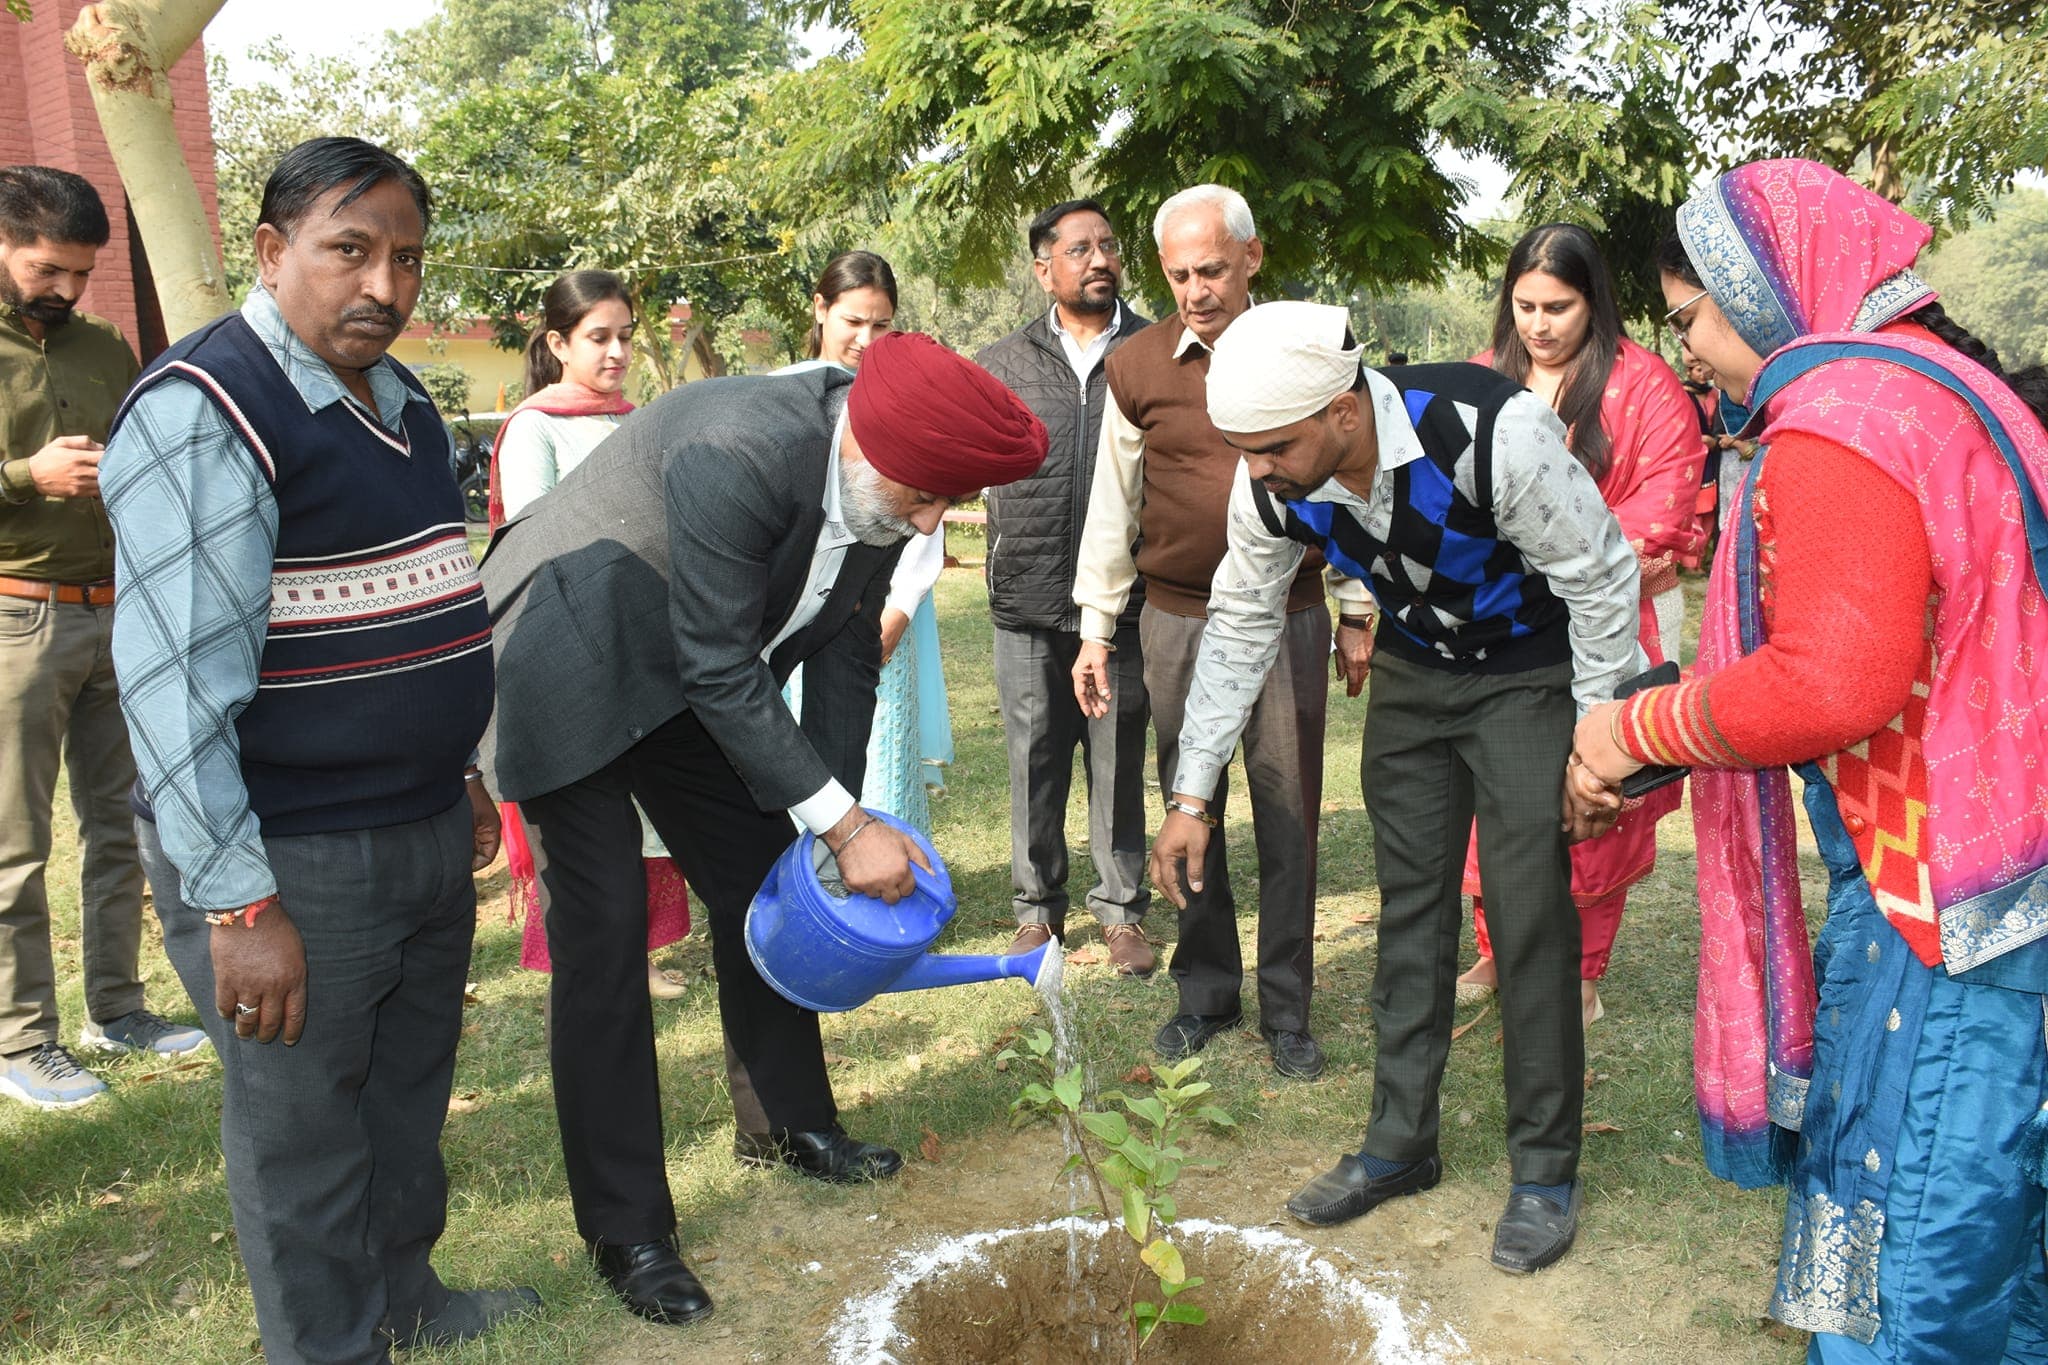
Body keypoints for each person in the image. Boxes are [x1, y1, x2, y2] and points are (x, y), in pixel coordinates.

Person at [1569, 158, 2048, 1360]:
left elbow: (1831, 681)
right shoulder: (1949, 387)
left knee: (1903, 1272)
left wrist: (1630, 730)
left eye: (1689, 322)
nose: (1689, 358)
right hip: (2004, 885)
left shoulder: (1842, 419)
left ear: (1756, 290)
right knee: (2005, 1256)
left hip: (1940, 916)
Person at [480, 330, 1045, 1328]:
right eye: (923, 498)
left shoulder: (885, 481)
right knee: (604, 937)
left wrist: (837, 818)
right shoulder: (741, 444)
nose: (930, 522)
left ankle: (788, 1126)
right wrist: (836, 825)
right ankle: (628, 1230)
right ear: (868, 445)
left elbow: (843, 659)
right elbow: (717, 663)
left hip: (683, 672)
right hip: (567, 652)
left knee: (762, 877)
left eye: (948, 505)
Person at [100, 138, 535, 1363]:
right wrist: (240, 905)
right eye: (350, 249)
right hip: (286, 854)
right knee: (302, 1128)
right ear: (271, 250)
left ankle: (407, 1300)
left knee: (402, 1098)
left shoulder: (394, 402)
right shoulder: (209, 410)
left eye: (404, 258)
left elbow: (420, 601)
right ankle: (325, 1347)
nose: (383, 286)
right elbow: (177, 691)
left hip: (410, 826)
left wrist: (453, 779)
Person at [1152, 300, 1641, 1273]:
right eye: (1243, 451)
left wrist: (1596, 745)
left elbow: (1598, 579)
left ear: (1342, 409)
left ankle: (1543, 1169)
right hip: (1414, 683)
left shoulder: (1486, 432)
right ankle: (1398, 1143)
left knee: (1526, 907)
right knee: (1409, 911)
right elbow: (1242, 623)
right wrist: (1190, 795)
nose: (1258, 473)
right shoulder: (1272, 485)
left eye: (1272, 447)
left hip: (1524, 676)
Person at [1071, 184, 1336, 1078]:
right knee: (1194, 808)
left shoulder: (1305, 351)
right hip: (1178, 620)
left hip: (1291, 614)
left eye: (1212, 269)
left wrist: (1359, 609)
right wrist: (1098, 626)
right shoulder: (1137, 366)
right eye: (1179, 274)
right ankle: (1207, 990)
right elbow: (1114, 501)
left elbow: (1346, 475)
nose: (1195, 289)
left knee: (1289, 811)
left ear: (1252, 259)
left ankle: (1288, 1009)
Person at [1453, 224, 1705, 1026]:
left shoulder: (1647, 387)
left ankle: (1583, 971)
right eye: (1523, 305)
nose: (1538, 324)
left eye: (1557, 306)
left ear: (1592, 302)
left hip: (1608, 617)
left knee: (1596, 793)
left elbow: (1665, 506)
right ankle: (1498, 953)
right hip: (1501, 627)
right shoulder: (1484, 379)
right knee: (1494, 791)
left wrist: (1559, 555)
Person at [0, 165, 205, 1113]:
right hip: (16, 615)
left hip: (118, 607)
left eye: (80, 274)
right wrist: (21, 475)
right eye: (48, 269)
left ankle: (117, 1009)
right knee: (17, 842)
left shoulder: (107, 346)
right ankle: (20, 1038)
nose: (67, 291)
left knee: (122, 823)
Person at [486, 269, 690, 998]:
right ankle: (612, 958)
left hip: (644, 640)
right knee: (593, 819)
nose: (615, 353)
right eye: (598, 338)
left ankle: (643, 952)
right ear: (557, 343)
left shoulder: (632, 418)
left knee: (644, 813)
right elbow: (535, 541)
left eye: (625, 338)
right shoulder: (534, 426)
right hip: (571, 646)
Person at [975, 198, 1155, 973]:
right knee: (1034, 756)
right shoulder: (1001, 364)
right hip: (1027, 595)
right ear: (1044, 267)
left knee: (1117, 757)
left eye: (1108, 245)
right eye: (1079, 249)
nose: (1100, 260)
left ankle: (1121, 912)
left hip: (1123, 605)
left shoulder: (1156, 352)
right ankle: (1037, 912)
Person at [779, 251, 955, 837]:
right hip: (797, 602)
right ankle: (805, 874)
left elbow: (927, 514)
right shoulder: (782, 396)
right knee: (795, 738)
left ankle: (886, 874)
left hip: (883, 604)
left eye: (881, 324)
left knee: (875, 739)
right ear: (821, 309)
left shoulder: (905, 399)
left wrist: (901, 605)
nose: (866, 338)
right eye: (854, 320)